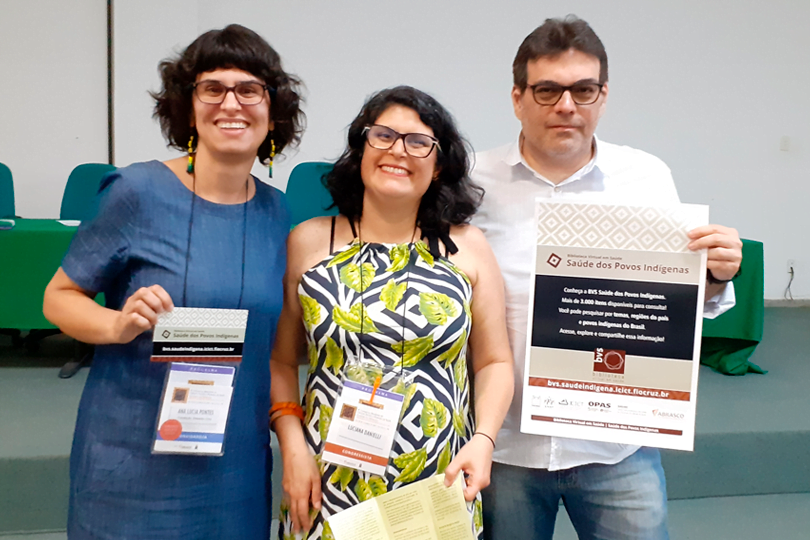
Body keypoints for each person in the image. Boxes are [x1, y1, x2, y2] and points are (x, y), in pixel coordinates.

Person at [470, 16, 743, 540]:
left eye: (583, 89)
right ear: (518, 98)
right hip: (503, 445)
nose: (566, 105)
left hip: (616, 445)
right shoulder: (471, 181)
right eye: (547, 90)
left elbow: (676, 304)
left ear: (603, 95)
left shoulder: (646, 177)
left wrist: (713, 274)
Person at [42, 24, 304, 539]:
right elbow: (59, 297)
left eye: (249, 89)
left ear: (273, 112)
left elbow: (278, 349)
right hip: (133, 462)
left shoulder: (278, 213)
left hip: (235, 463)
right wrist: (116, 325)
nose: (231, 103)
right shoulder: (136, 191)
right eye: (213, 88)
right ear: (188, 107)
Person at [269, 85, 514, 540]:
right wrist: (292, 449)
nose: (398, 151)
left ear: (438, 166)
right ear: (361, 149)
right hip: (326, 480)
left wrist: (484, 440)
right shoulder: (309, 242)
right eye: (383, 136)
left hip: (438, 479)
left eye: (419, 142)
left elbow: (494, 362)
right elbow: (281, 360)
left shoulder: (468, 248)